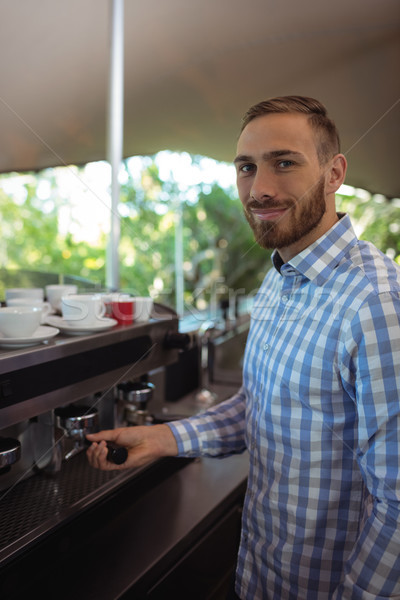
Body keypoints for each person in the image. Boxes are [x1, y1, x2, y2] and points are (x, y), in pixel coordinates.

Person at [87, 96, 400, 599]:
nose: (260, 189)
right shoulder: (279, 276)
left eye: (284, 163)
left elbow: (397, 501)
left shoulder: (376, 303)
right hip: (260, 576)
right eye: (246, 168)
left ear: (334, 172)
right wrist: (166, 439)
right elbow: (263, 405)